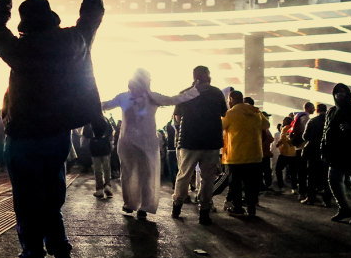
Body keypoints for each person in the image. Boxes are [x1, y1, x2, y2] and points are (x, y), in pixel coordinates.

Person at [0, 0, 104, 258]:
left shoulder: (20, 49)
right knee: (51, 200)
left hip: (22, 135)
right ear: (51, 17)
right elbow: (93, 11)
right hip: (56, 136)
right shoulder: (74, 40)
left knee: (26, 202)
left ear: (25, 24)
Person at [102, 68, 199, 219]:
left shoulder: (126, 97)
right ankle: (141, 207)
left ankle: (133, 205)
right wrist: (194, 91)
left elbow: (105, 105)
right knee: (142, 175)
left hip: (130, 142)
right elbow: (174, 99)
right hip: (143, 142)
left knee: (131, 173)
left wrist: (86, 103)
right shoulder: (151, 97)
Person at [171, 66, 228, 225]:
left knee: (184, 175)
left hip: (189, 141)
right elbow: (224, 113)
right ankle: (204, 213)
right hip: (211, 142)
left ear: (194, 76)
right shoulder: (217, 92)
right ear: (209, 76)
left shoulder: (186, 93)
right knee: (207, 179)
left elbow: (177, 115)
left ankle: (177, 207)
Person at [221, 91, 270, 217]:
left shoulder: (230, 113)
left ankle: (238, 209)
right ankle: (252, 209)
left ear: (231, 99)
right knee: (252, 185)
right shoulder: (255, 111)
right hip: (255, 155)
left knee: (236, 184)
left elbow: (220, 126)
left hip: (236, 156)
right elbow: (266, 125)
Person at [321, 83, 351, 224]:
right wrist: (323, 148)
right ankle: (344, 208)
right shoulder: (331, 111)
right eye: (337, 92)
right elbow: (326, 131)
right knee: (334, 180)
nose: (340, 94)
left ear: (347, 93)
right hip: (335, 153)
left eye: (342, 91)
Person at [301, 103, 332, 206]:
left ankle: (311, 198)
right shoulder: (330, 121)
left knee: (312, 176)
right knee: (326, 177)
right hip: (327, 152)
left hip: (313, 152)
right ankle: (327, 200)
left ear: (317, 110)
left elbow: (305, 137)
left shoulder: (312, 121)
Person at [290, 102, 315, 200]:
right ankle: (303, 192)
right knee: (304, 171)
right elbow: (306, 134)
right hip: (304, 147)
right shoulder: (305, 118)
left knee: (301, 171)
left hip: (298, 147)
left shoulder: (298, 116)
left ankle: (302, 191)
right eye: (312, 107)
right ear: (308, 108)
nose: (314, 109)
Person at [87, 117, 114, 199]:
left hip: (95, 148)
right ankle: (108, 186)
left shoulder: (89, 120)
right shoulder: (105, 119)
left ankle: (99, 190)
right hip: (105, 147)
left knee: (97, 170)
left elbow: (86, 134)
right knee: (107, 169)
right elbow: (110, 131)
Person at [275, 117, 298, 191]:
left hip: (284, 153)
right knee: (293, 172)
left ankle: (281, 186)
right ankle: (294, 188)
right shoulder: (294, 128)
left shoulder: (285, 128)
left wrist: (278, 144)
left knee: (278, 169)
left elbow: (284, 138)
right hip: (293, 153)